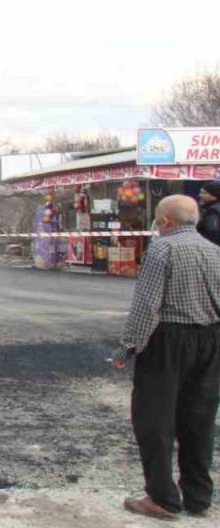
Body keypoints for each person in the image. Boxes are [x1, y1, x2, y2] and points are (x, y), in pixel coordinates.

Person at [111, 194, 220, 521]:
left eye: (157, 219)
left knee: (154, 419)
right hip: (212, 340)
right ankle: (198, 498)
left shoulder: (162, 248)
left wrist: (127, 348)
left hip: (170, 340)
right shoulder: (216, 251)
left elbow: (147, 306)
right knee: (200, 418)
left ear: (166, 221)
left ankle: (162, 498)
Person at [196, 180, 220, 247]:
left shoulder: (213, 211)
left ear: (214, 196)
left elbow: (212, 233)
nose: (200, 195)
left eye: (204, 193)